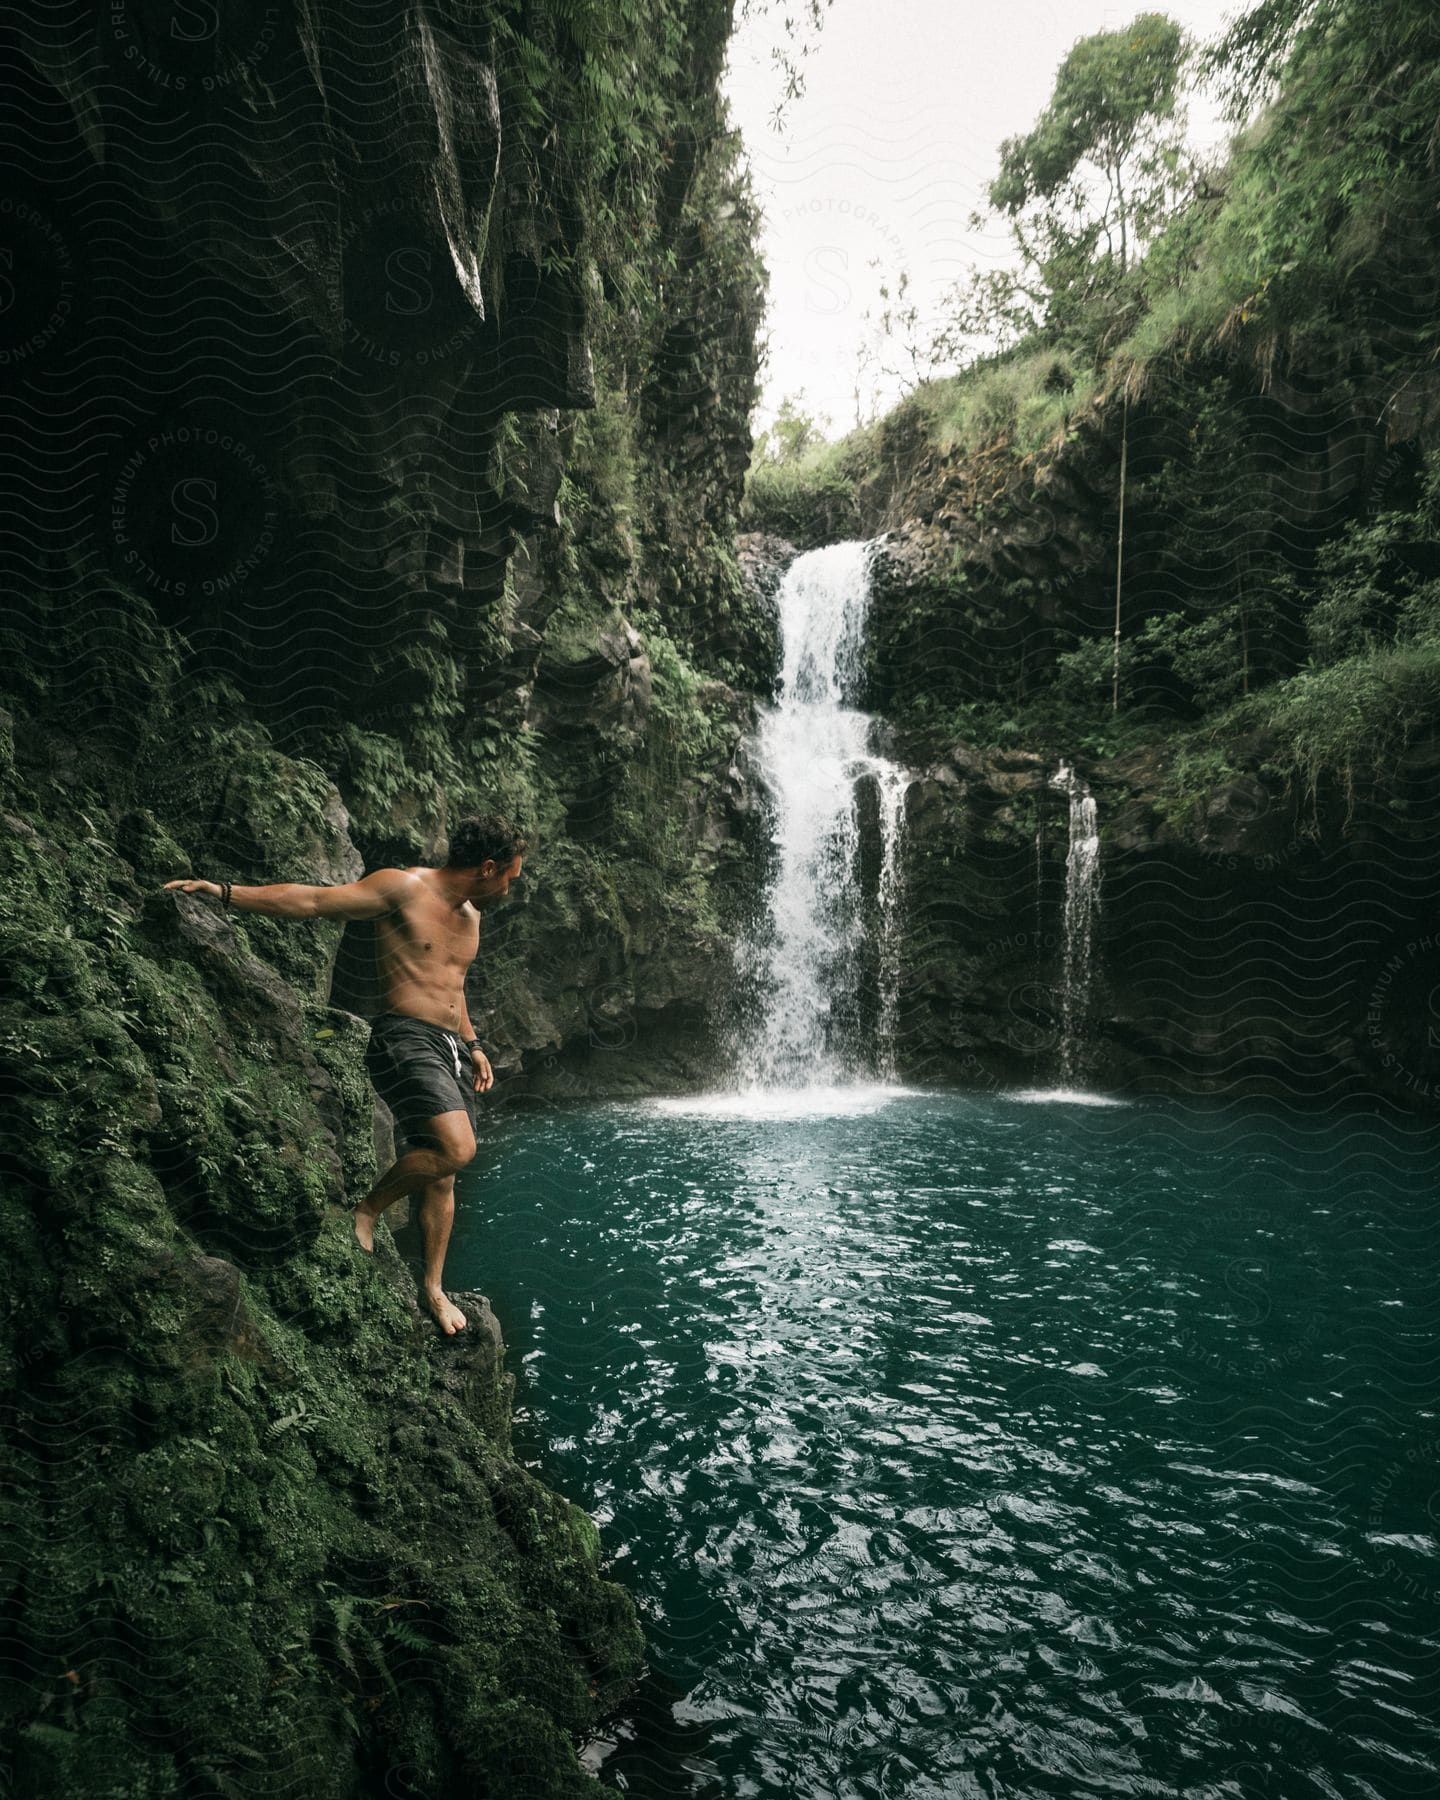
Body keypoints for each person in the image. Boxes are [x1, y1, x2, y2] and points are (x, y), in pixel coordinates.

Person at [164, 813, 527, 1335]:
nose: (510, 889)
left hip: (449, 1048)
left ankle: (433, 1288)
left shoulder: (471, 917)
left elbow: (455, 987)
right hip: (403, 1037)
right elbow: (312, 901)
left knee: (443, 1173)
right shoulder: (404, 888)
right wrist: (222, 892)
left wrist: (473, 1045)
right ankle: (368, 1211)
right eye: (510, 877)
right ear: (487, 867)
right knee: (458, 1149)